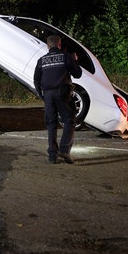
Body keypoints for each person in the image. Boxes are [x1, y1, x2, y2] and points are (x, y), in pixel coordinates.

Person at [34, 35, 82, 164]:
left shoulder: (41, 60)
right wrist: (75, 60)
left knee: (51, 124)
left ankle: (52, 156)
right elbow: (78, 74)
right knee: (70, 120)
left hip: (48, 95)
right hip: (63, 93)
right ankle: (64, 150)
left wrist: (42, 95)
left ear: (48, 46)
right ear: (59, 45)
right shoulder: (66, 57)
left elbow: (36, 80)